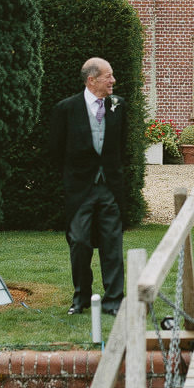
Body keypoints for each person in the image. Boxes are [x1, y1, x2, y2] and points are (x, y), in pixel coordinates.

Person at [49, 57, 125, 315]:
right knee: (80, 241)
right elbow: (55, 151)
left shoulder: (118, 106)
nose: (113, 81)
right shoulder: (66, 109)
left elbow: (122, 148)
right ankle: (81, 297)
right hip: (80, 189)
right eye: (108, 76)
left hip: (109, 188)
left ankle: (114, 301)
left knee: (112, 243)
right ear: (92, 80)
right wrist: (72, 179)